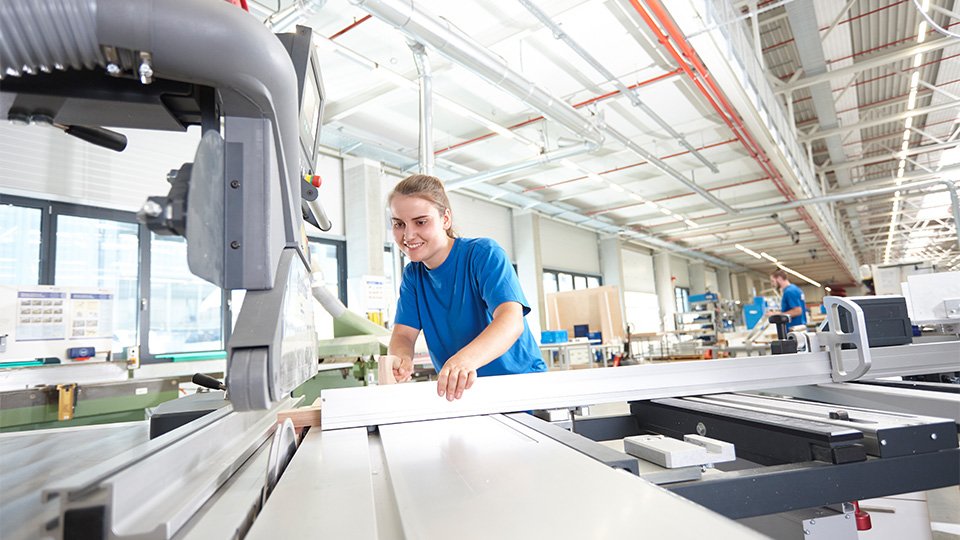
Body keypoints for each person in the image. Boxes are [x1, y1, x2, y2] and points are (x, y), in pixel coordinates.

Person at [382, 174, 546, 401]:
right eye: (399, 224)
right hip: (465, 396)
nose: (408, 235)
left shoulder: (483, 254)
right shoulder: (413, 275)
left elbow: (511, 320)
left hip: (520, 389)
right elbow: (403, 335)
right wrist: (401, 359)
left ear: (445, 219)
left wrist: (463, 360)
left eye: (421, 222)